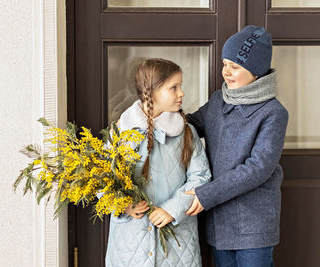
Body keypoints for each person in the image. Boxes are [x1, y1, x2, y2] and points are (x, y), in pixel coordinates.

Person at [185, 25, 289, 267]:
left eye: (235, 67)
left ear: (256, 72)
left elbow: (258, 168)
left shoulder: (273, 113)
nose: (226, 72)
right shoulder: (218, 100)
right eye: (225, 64)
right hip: (220, 220)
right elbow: (189, 127)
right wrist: (154, 118)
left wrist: (207, 194)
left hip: (254, 221)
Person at [105, 58, 211, 267]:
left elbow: (201, 177)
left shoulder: (186, 132)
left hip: (177, 243)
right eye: (174, 87)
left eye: (181, 86)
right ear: (152, 92)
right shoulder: (120, 132)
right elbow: (101, 179)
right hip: (130, 242)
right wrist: (123, 205)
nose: (181, 93)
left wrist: (173, 209)